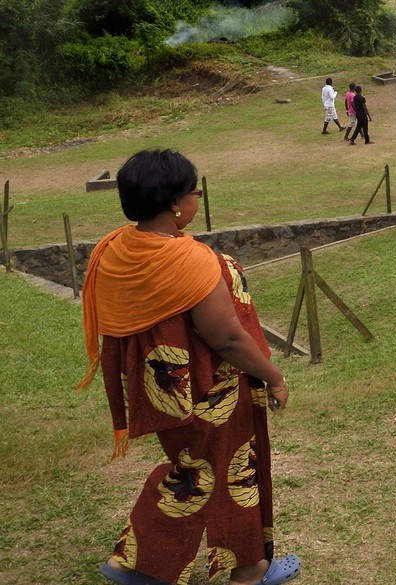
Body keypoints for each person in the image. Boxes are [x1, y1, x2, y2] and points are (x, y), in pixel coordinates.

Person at [81, 149, 301, 585]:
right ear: (176, 204)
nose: (197, 198)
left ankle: (140, 564)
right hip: (211, 389)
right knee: (228, 470)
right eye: (194, 191)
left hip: (162, 388)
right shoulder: (189, 260)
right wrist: (274, 376)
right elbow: (227, 338)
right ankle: (245, 570)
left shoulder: (114, 251)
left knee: (194, 467)